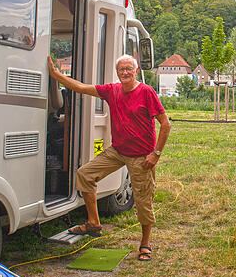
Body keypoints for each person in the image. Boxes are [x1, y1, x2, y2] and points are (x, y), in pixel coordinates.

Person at [47, 54, 170, 261]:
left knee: (143, 200)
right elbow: (81, 87)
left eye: (129, 69)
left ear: (136, 71)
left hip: (142, 156)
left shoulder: (146, 92)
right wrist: (56, 75)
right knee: (84, 174)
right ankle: (93, 223)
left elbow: (165, 124)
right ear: (117, 72)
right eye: (121, 69)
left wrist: (155, 154)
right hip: (118, 151)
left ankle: (145, 243)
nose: (125, 73)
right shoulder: (112, 90)